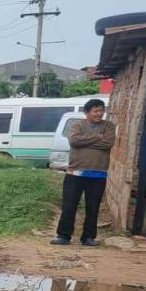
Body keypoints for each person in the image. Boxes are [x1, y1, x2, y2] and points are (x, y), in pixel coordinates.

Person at [53, 98, 116, 246]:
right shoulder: (77, 124)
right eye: (96, 111)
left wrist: (85, 142)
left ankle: (88, 237)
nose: (99, 114)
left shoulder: (109, 126)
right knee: (69, 205)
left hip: (98, 175)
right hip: (75, 173)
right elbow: (74, 141)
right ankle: (64, 236)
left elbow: (108, 143)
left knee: (93, 208)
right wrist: (96, 137)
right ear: (87, 112)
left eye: (101, 110)